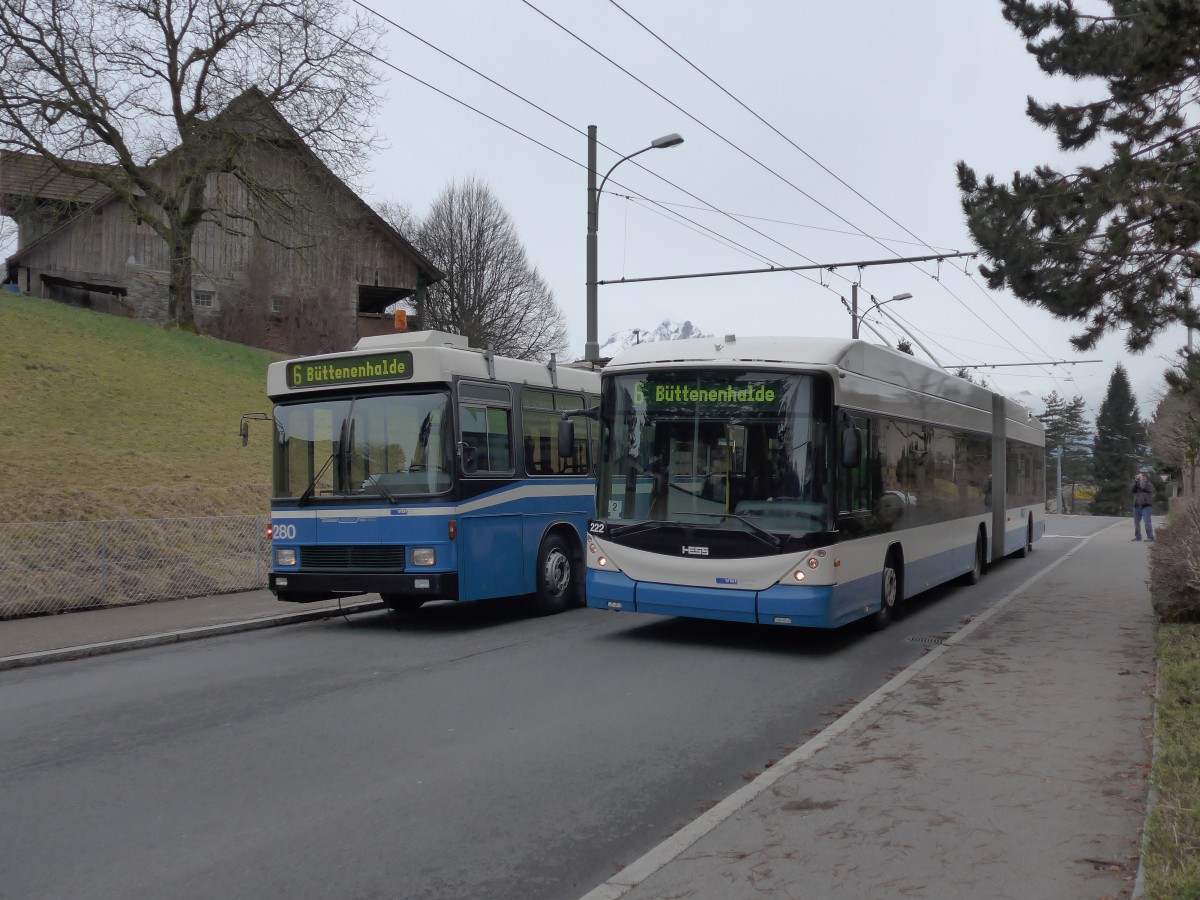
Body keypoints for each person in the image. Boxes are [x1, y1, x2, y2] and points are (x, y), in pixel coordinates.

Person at [1131, 471, 1155, 541]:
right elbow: (1132, 489)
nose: (1138, 477)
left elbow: (1143, 487)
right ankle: (1138, 536)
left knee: (1147, 522)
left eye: (1140, 476)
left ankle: (1150, 537)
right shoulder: (1138, 483)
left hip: (1146, 506)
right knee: (1136, 523)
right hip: (1137, 506)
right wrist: (1135, 481)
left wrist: (1141, 480)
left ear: (1145, 477)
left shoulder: (1149, 484)